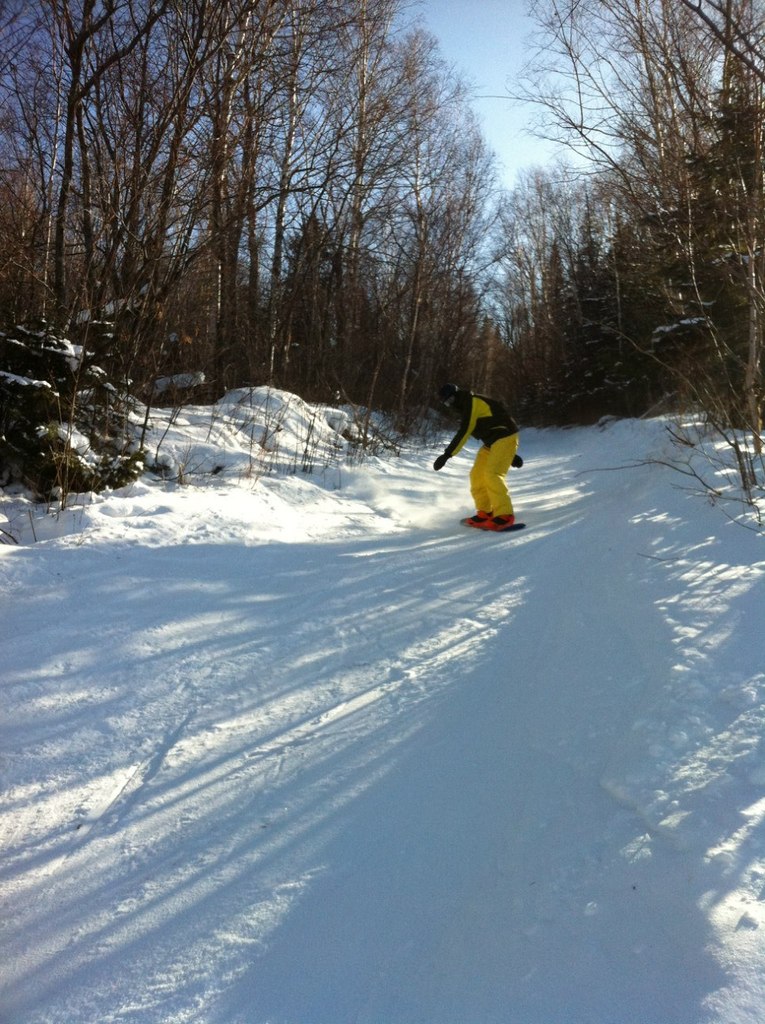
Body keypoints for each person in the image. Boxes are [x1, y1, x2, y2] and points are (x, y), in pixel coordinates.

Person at [433, 383, 522, 530]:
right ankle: (485, 512)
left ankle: (505, 515)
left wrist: (447, 455)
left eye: (450, 400)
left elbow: (465, 431)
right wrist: (510, 455)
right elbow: (488, 425)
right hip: (493, 442)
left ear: (456, 395)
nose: (450, 404)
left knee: (492, 474)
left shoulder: (472, 402)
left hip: (505, 437)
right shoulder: (464, 407)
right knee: (476, 475)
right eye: (446, 403)